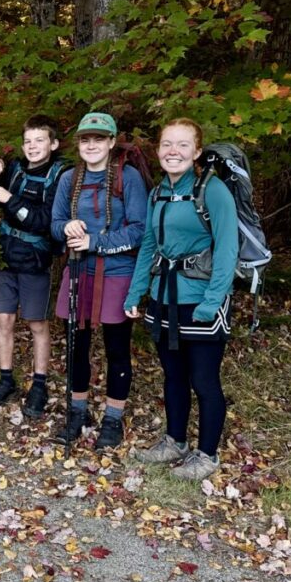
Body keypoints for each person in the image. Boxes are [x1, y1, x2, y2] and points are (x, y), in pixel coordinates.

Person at [124, 119, 238, 479]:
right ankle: (175, 441)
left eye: (183, 145)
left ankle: (207, 455)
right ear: (158, 150)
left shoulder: (213, 190)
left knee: (203, 380)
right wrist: (136, 291)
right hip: (163, 299)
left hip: (201, 299)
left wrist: (212, 301)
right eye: (167, 145)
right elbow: (149, 246)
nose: (174, 151)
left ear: (197, 151)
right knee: (172, 376)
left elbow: (227, 249)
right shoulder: (158, 192)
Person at [50, 112, 147, 450]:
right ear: (79, 144)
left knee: (116, 348)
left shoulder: (128, 178)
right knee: (76, 346)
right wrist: (66, 228)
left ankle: (113, 418)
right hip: (78, 271)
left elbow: (139, 229)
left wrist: (95, 242)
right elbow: (55, 222)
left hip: (117, 272)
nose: (91, 145)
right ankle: (77, 412)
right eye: (85, 139)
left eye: (98, 138)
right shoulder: (69, 178)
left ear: (110, 142)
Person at [0, 115, 67, 419]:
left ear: (53, 143)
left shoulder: (60, 175)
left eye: (40, 140)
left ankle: (40, 384)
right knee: (4, 319)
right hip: (7, 256)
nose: (32, 146)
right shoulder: (16, 170)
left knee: (36, 324)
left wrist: (10, 199)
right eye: (28, 141)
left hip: (35, 258)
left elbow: (44, 220)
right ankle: (6, 380)